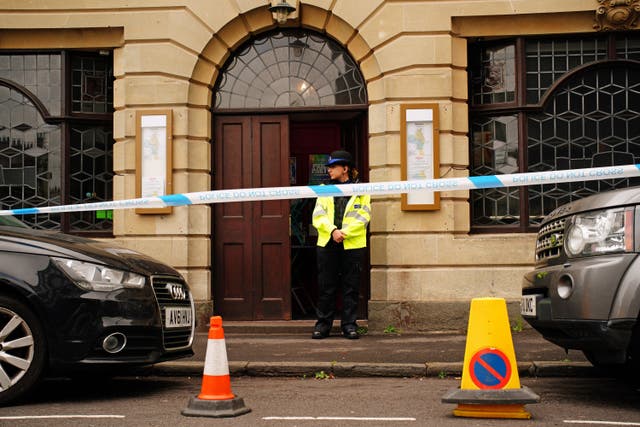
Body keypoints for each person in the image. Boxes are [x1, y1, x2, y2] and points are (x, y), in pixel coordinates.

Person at [311, 150, 371, 340]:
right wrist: (333, 231)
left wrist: (344, 233)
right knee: (326, 287)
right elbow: (318, 216)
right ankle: (322, 326)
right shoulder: (323, 188)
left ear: (345, 168)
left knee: (350, 287)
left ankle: (349, 326)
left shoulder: (361, 189)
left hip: (352, 245)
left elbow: (364, 216)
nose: (329, 170)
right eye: (328, 167)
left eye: (333, 167)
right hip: (328, 243)